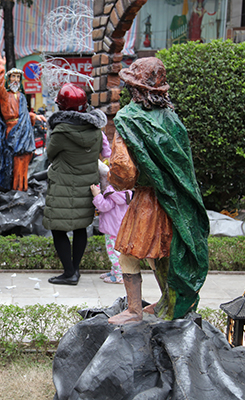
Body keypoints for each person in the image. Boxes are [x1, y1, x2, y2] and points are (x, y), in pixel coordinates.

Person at [108, 57, 209, 324]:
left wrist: (110, 177)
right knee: (163, 252)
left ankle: (133, 310)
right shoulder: (172, 118)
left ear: (136, 89)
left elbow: (124, 170)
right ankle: (170, 302)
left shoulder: (128, 119)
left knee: (130, 254)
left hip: (148, 202)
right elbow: (183, 166)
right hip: (176, 202)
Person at [43, 84, 108, 285]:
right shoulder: (96, 131)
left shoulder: (61, 132)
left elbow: (50, 154)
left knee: (58, 228)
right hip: (87, 187)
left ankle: (69, 272)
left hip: (63, 185)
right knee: (80, 227)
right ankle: (76, 270)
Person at [0, 52, 47, 191]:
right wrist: (1, 65)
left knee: (23, 162)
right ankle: (14, 188)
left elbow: (23, 114)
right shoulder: (5, 95)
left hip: (24, 134)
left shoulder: (22, 97)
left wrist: (34, 116)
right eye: (13, 77)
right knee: (12, 162)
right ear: (9, 79)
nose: (15, 80)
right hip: (12, 132)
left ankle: (22, 188)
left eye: (18, 77)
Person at [90, 161, 132, 285]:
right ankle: (115, 271)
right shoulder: (126, 191)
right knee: (117, 252)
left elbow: (104, 206)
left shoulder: (111, 192)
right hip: (120, 227)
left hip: (112, 228)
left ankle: (119, 276)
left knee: (114, 253)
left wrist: (97, 195)